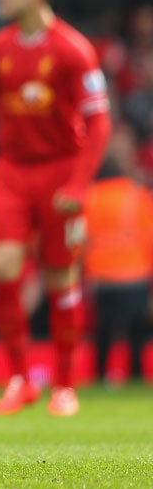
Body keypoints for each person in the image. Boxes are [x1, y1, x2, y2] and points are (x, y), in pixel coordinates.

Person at [0, 0, 111, 417]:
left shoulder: (74, 50)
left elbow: (98, 123)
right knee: (4, 267)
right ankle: (19, 380)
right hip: (11, 172)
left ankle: (64, 385)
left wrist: (80, 185)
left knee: (60, 278)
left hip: (61, 170)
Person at [84, 130, 153, 383]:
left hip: (102, 278)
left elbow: (79, 241)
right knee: (135, 336)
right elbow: (149, 238)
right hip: (134, 277)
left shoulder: (89, 197)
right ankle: (136, 377)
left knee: (103, 334)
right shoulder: (137, 195)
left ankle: (99, 377)